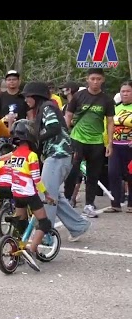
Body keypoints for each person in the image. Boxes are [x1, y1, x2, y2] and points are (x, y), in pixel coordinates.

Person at [22, 81, 90, 241]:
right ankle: (78, 226)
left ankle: (45, 234)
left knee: (46, 196)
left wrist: (36, 137)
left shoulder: (47, 107)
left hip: (58, 155)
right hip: (58, 156)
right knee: (53, 196)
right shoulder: (43, 108)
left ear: (35, 96)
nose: (25, 100)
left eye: (27, 96)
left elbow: (54, 128)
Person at [64, 68, 116, 218]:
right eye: (92, 79)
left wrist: (110, 143)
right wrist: (65, 136)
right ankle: (67, 199)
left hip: (97, 141)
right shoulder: (78, 96)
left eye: (98, 79)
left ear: (102, 80)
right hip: (77, 138)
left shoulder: (106, 99)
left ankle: (89, 204)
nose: (95, 82)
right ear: (87, 79)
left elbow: (110, 122)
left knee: (93, 174)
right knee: (73, 170)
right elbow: (68, 115)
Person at [8, 120, 56, 271]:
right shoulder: (31, 156)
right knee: (44, 223)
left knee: (20, 223)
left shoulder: (14, 155)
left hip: (16, 194)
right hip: (29, 194)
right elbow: (36, 179)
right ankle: (31, 249)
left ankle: (15, 249)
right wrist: (47, 195)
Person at [105, 80, 132, 213]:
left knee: (130, 174)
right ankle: (115, 203)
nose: (125, 94)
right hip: (115, 145)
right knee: (113, 173)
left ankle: (131, 204)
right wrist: (107, 143)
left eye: (128, 91)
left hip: (130, 146)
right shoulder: (115, 108)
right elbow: (108, 126)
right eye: (123, 91)